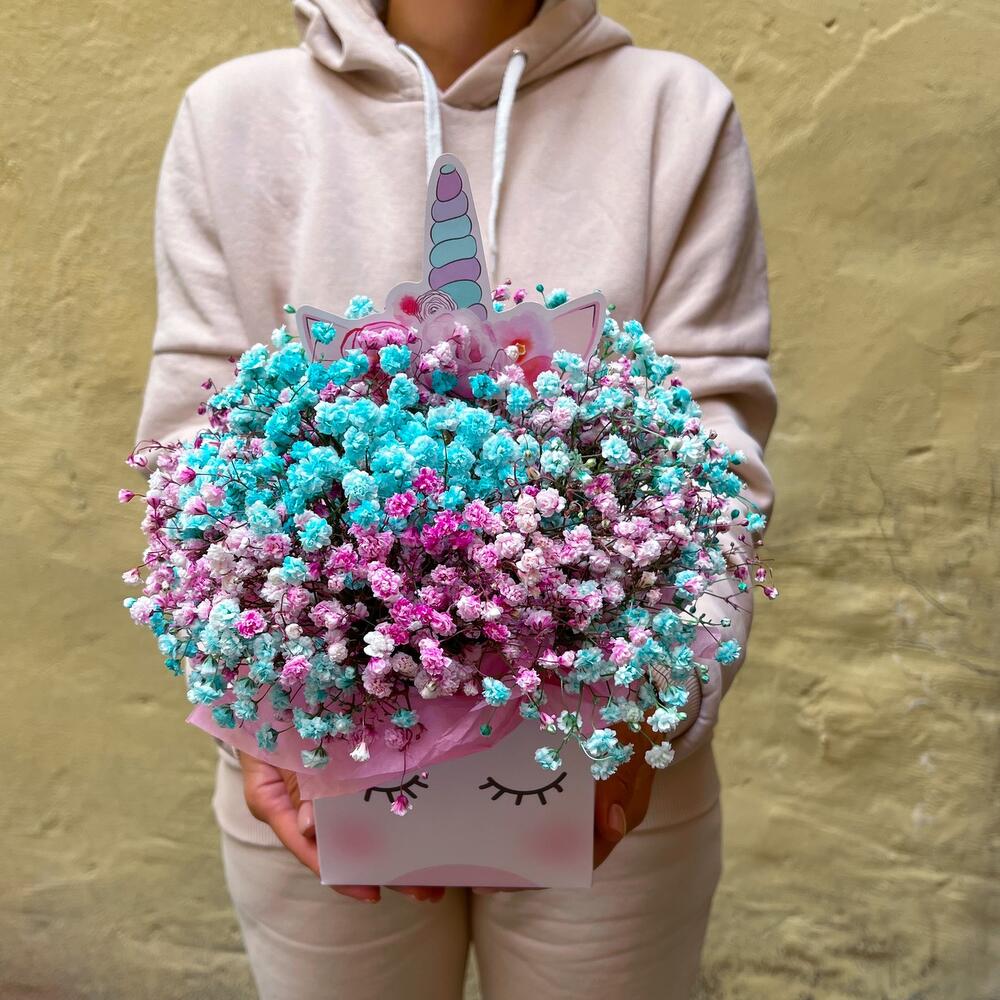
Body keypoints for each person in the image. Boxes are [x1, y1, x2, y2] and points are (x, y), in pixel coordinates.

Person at [136, 1, 777, 997]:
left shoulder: (672, 110)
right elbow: (192, 440)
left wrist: (657, 702)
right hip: (317, 758)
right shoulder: (237, 115)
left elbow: (715, 451)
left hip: (606, 769)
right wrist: (253, 715)